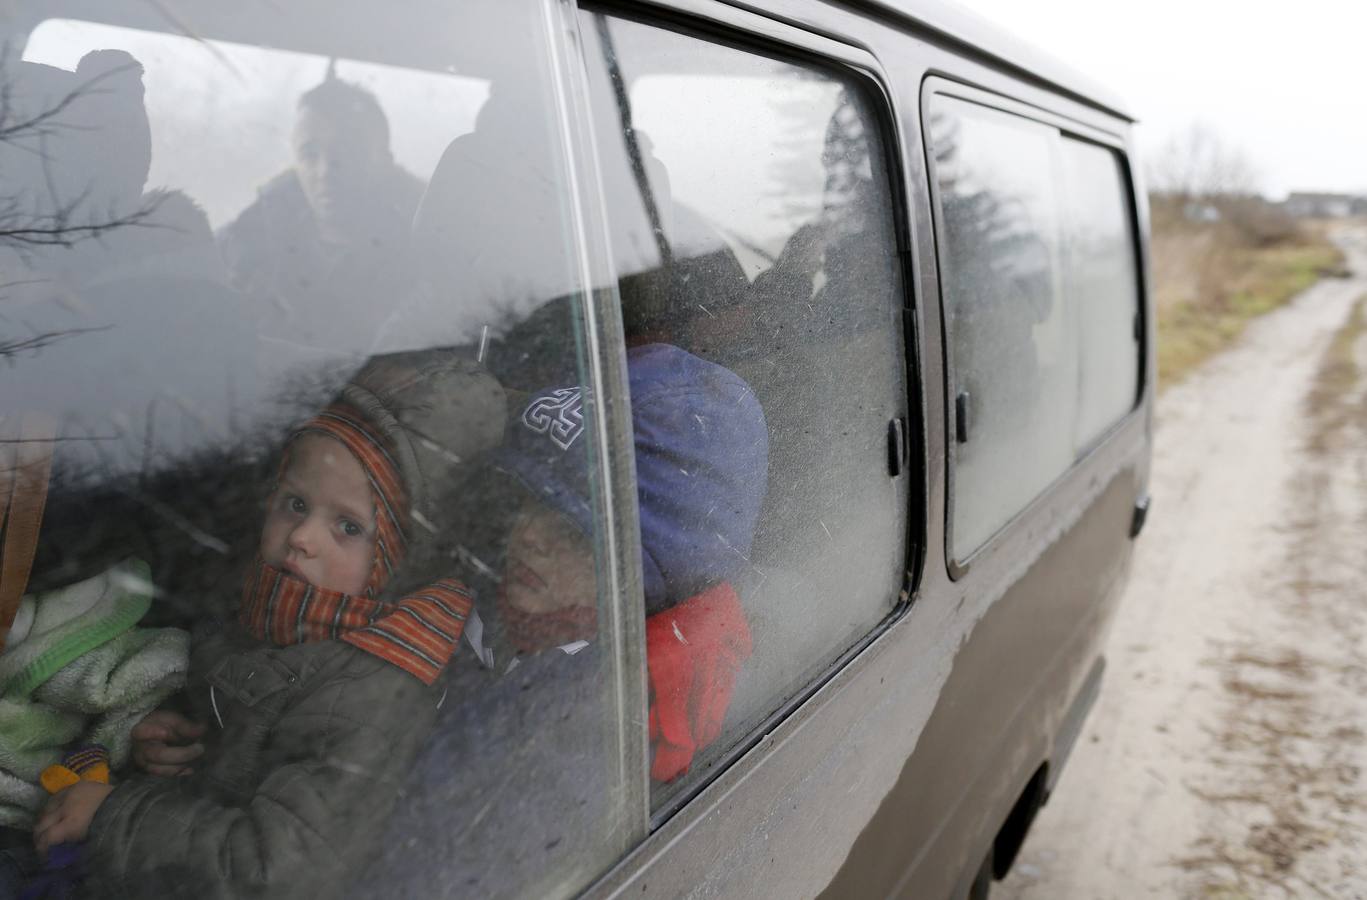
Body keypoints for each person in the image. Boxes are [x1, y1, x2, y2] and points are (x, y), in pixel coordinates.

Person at [29, 352, 507, 898]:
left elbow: (279, 870)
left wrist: (115, 814)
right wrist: (175, 733)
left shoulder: (376, 690)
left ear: (399, 561)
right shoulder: (277, 600)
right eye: (295, 503)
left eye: (348, 526)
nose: (303, 535)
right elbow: (242, 718)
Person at [352, 341, 768, 899]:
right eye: (528, 499)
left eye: (574, 531)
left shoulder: (583, 733)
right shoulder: (485, 596)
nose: (528, 536)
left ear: (656, 575)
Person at [218, 74, 424, 354]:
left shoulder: (427, 262)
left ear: (384, 161)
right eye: (309, 153)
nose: (326, 171)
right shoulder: (241, 248)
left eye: (346, 152)